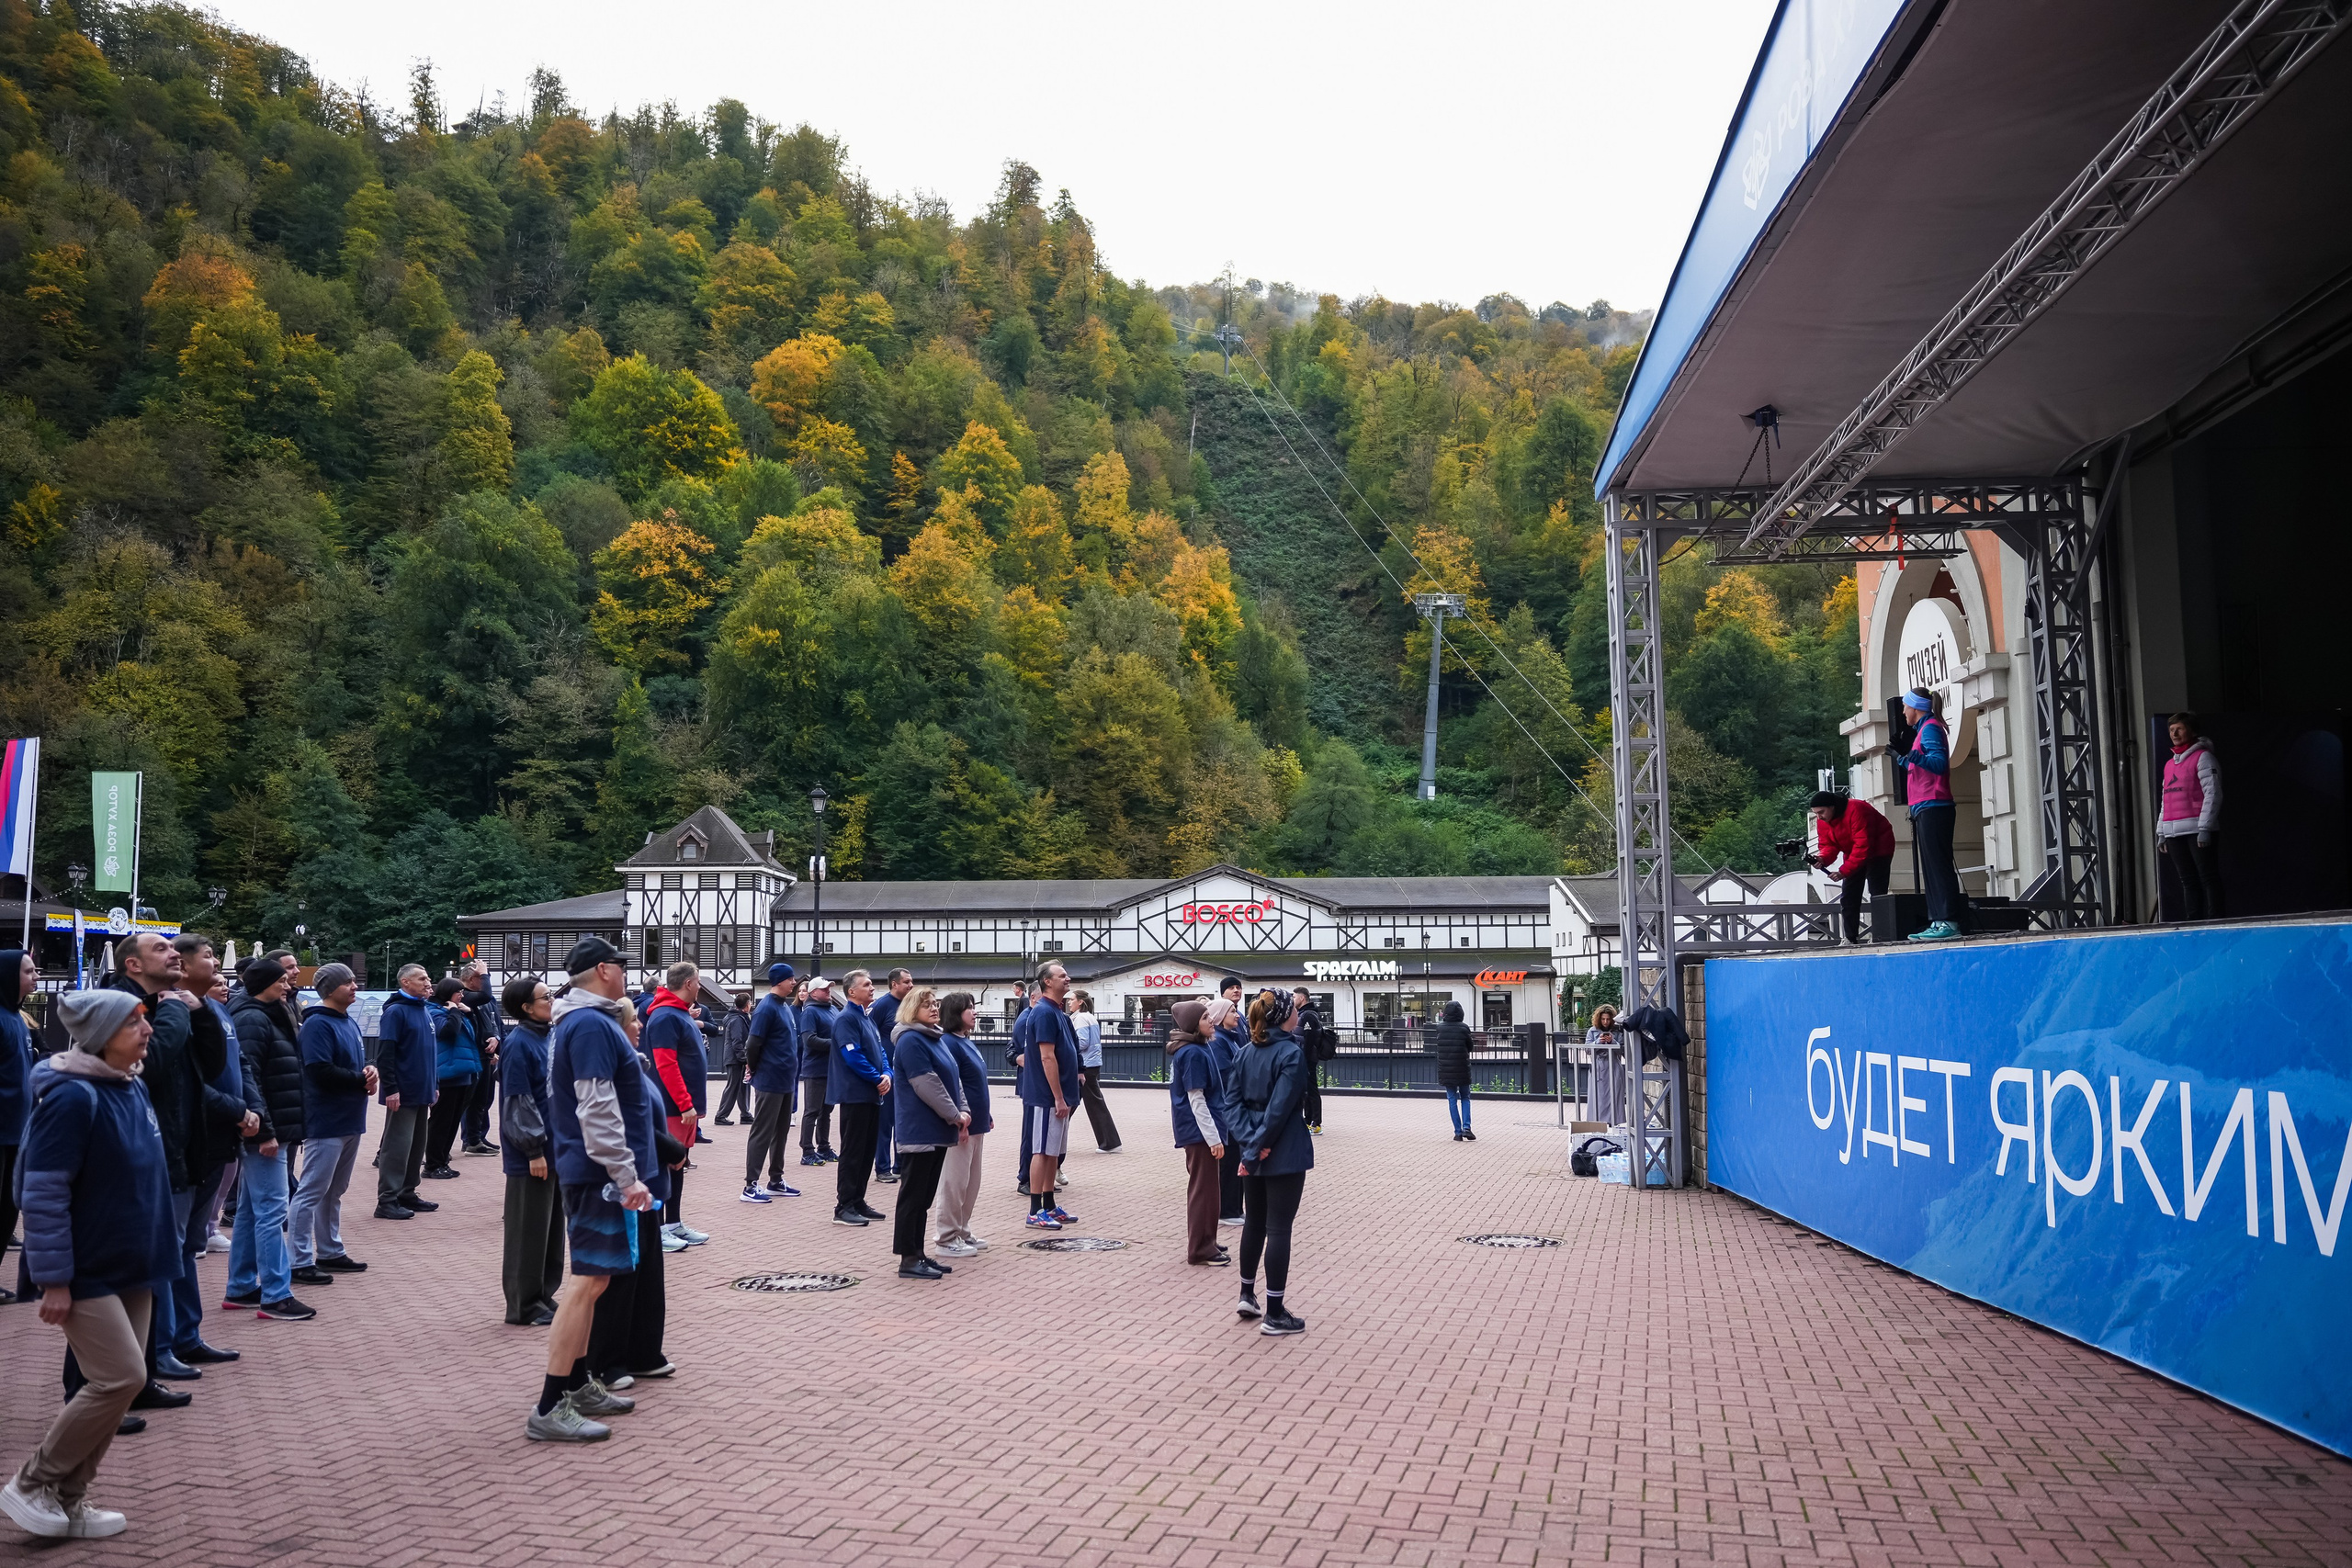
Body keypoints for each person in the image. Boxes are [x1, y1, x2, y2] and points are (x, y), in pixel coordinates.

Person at [2, 988, 180, 1540]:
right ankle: (31, 1483)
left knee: (122, 1384)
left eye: (145, 1020)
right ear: (102, 1036)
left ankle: (71, 1499)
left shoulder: (132, 1085)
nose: (147, 1030)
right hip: (87, 1265)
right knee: (121, 1376)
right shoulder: (72, 1097)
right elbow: (43, 1192)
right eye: (134, 1023)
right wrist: (53, 1278)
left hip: (136, 1260)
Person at [530, 939, 654, 1442]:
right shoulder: (590, 1025)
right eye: (621, 965)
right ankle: (549, 1405)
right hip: (597, 1175)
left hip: (593, 1171)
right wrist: (625, 1175)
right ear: (604, 970)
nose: (626, 973)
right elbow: (596, 1106)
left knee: (596, 1281)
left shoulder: (582, 1022)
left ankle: (578, 1384)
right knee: (586, 1284)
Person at [114, 932, 232, 1404]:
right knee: (157, 1257)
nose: (174, 955)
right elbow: (153, 1065)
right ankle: (153, 1355)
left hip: (185, 1145)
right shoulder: (122, 1006)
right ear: (132, 965)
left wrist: (198, 1013)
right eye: (161, 949)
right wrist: (180, 1012)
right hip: (151, 1153)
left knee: (180, 1249)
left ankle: (180, 1339)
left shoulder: (173, 1005)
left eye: (175, 949)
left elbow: (210, 1066)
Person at [585, 995, 686, 1386]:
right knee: (621, 1274)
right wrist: (670, 1147)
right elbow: (622, 1125)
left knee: (647, 1274)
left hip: (647, 1183)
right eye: (632, 1020)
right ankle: (607, 1361)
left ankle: (643, 1352)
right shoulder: (613, 1071)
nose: (640, 1025)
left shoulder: (633, 1065)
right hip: (625, 1185)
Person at [224, 959, 315, 1320]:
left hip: (276, 1125)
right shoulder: (253, 1018)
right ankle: (276, 1294)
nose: (288, 985)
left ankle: (241, 1286)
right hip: (266, 1129)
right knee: (272, 1211)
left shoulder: (268, 1014)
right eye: (281, 980)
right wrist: (264, 1132)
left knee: (252, 1210)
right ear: (264, 984)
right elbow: (249, 1078)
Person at [1230, 990, 1312, 1336]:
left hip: (1253, 1145)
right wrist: (1258, 1147)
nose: (1297, 1012)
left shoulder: (1245, 1052)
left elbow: (1231, 1103)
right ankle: (1274, 1313)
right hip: (1284, 1147)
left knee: (1254, 1222)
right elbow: (1280, 1109)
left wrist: (1249, 1145)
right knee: (1278, 1228)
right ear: (1283, 1016)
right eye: (1292, 1008)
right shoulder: (1291, 1053)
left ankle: (1247, 1294)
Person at [288, 964, 371, 1287]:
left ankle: (330, 1250)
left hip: (350, 1117)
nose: (354, 986)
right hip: (326, 1119)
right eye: (347, 982)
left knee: (334, 1191)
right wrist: (360, 1079)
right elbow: (319, 1070)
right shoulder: (318, 1024)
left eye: (353, 980)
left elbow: (355, 1064)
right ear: (329, 989)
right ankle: (298, 1260)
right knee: (311, 1190)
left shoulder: (347, 1021)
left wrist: (370, 1072)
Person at [886, 986, 969, 1279]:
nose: (934, 1008)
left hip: (937, 1129)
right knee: (913, 1197)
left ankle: (919, 1254)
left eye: (935, 1004)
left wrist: (962, 1108)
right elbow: (927, 1084)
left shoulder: (934, 1037)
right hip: (919, 1130)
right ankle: (908, 1259)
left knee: (924, 1198)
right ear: (912, 1010)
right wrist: (954, 1114)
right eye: (927, 1005)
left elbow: (953, 1077)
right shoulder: (910, 1040)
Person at [495, 976, 563, 1325]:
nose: (551, 1001)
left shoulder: (546, 1037)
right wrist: (533, 1150)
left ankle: (543, 1294)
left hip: (554, 1149)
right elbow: (518, 1101)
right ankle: (523, 1304)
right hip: (532, 1155)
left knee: (550, 1230)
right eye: (545, 997)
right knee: (528, 1231)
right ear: (526, 1007)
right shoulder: (519, 1043)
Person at [643, 961, 710, 1249]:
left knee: (678, 1163)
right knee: (665, 1164)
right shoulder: (665, 1016)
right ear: (688, 983)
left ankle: (673, 1223)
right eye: (698, 981)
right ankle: (658, 1229)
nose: (699, 986)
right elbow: (665, 1065)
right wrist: (684, 1104)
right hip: (672, 1107)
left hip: (683, 1106)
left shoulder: (678, 1012)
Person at [1014, 961, 1081, 1231]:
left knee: (1053, 1151)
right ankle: (1034, 1211)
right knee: (1041, 1150)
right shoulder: (1043, 1012)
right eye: (1062, 975)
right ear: (1047, 981)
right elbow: (1046, 1057)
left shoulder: (1057, 1012)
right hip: (1046, 1097)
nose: (1068, 978)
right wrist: (1058, 1097)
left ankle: (1050, 1205)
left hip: (1058, 1096)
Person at [1894, 687, 1963, 942]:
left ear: (1916, 707)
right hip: (1926, 805)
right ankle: (1939, 920)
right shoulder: (1924, 729)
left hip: (1934, 804)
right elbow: (1920, 768)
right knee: (1932, 868)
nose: (1903, 712)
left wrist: (1910, 753)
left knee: (1937, 867)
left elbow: (1939, 764)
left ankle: (1947, 921)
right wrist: (1902, 757)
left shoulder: (1931, 728)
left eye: (1905, 706)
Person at [1166, 999, 1230, 1267]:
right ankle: (1201, 1248)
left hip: (1200, 1130)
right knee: (1204, 1190)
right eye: (1204, 1017)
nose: (1211, 1020)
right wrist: (1213, 1138)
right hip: (1200, 1132)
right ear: (1194, 1025)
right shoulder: (1192, 1052)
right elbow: (1197, 1099)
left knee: (1209, 1189)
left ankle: (1207, 1239)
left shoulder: (1198, 1048)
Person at [826, 970, 892, 1228]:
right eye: (866, 984)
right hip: (855, 1095)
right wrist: (877, 1078)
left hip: (872, 1094)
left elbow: (881, 1051)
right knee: (853, 1151)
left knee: (866, 1152)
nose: (872, 988)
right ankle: (844, 1206)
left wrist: (887, 1074)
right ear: (851, 991)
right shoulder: (846, 1019)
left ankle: (858, 1200)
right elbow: (852, 1055)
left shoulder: (866, 1017)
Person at [372, 965, 438, 1220]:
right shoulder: (396, 1012)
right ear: (405, 982)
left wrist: (434, 1084)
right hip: (403, 1092)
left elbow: (429, 1052)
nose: (427, 982)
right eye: (422, 978)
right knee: (397, 1146)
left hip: (422, 1090)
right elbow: (386, 1053)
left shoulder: (424, 1009)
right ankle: (387, 1199)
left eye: (427, 977)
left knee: (417, 1145)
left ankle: (407, 1192)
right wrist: (391, 1088)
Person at [931, 992, 990, 1258]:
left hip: (977, 1123)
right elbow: (951, 1086)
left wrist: (986, 1114)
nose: (974, 1012)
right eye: (969, 1008)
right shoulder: (949, 1043)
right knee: (954, 1183)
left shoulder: (965, 1041)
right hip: (961, 1125)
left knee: (971, 1182)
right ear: (956, 1013)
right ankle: (946, 1237)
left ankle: (962, 1229)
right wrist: (957, 1119)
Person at [741, 966, 801, 1201]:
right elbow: (752, 1044)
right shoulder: (766, 1007)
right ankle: (750, 1186)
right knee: (763, 1131)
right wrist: (754, 1067)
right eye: (790, 979)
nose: (794, 983)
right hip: (770, 1079)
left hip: (786, 1080)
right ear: (779, 981)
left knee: (781, 1132)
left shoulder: (784, 1006)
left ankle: (775, 1180)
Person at [2157, 712, 2223, 921]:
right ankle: (2193, 922)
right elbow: (2166, 800)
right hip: (2174, 832)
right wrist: (2162, 831)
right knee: (2187, 880)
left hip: (2197, 829)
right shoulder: (2169, 764)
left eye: (2180, 729)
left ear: (2192, 731)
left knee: (2208, 877)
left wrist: (2204, 828)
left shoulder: (2203, 757)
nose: (2174, 733)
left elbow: (2213, 793)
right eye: (2171, 730)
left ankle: (2215, 921)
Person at [1809, 790, 1895, 944]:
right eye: (1816, 813)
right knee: (1849, 895)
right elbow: (1828, 845)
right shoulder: (1823, 821)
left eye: (1821, 812)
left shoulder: (1857, 809)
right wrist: (1822, 858)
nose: (1819, 817)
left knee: (1877, 893)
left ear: (1832, 807)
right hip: (1853, 851)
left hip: (1879, 850)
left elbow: (1863, 845)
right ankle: (1850, 938)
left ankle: (1880, 935)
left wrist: (1843, 871)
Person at [422, 977, 481, 1180]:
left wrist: (468, 1013)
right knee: (441, 1121)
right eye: (459, 992)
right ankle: (432, 1165)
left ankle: (442, 1161)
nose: (462, 995)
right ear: (448, 993)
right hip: (447, 1074)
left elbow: (472, 1035)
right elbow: (448, 1032)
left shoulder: (453, 1010)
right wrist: (455, 1012)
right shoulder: (434, 1011)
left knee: (452, 1121)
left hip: (462, 1073)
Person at [0, 950, 32, 1301]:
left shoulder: (17, 1018)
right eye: (29, 971)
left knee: (9, 1208)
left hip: (16, 1130)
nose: (36, 976)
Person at [1203, 998, 1247, 1227]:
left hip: (1234, 1109)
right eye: (1232, 1011)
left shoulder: (1228, 1038)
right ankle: (1227, 1210)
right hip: (1228, 1110)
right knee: (1229, 1160)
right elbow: (1226, 1078)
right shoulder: (1219, 1041)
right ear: (1220, 1016)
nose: (1237, 1015)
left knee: (1235, 1158)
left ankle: (1235, 1208)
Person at [867, 968, 912, 1185]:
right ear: (894, 984)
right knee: (885, 1122)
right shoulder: (881, 1006)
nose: (911, 985)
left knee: (903, 1120)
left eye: (911, 981)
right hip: (887, 1074)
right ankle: (883, 1168)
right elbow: (869, 1036)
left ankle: (900, 1166)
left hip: (906, 1073)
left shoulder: (910, 1005)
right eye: (906, 982)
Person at [458, 958, 503, 1157]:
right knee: (470, 1101)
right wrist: (484, 972)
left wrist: (495, 1040)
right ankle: (470, 1140)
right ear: (470, 979)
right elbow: (486, 995)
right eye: (482, 977)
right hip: (472, 1057)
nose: (485, 980)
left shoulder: (482, 1001)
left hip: (485, 1055)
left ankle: (476, 1139)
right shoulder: (467, 996)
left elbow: (490, 1023)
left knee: (483, 1100)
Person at [1071, 989, 1122, 1152]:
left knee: (1083, 1103)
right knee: (1088, 1102)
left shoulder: (1080, 1018)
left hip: (1084, 1065)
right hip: (1091, 1064)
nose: (1069, 1002)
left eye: (1072, 999)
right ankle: (1110, 1142)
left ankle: (1111, 1143)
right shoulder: (1089, 1017)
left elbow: (1082, 1042)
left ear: (1080, 1002)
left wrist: (1065, 1047)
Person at [797, 977, 838, 1166]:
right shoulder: (810, 1012)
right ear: (813, 993)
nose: (828, 990)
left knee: (826, 1110)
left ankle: (824, 1147)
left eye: (829, 988)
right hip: (815, 1069)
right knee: (812, 1110)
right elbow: (810, 1040)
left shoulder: (833, 1009)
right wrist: (837, 1044)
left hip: (831, 1068)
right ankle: (807, 1151)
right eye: (824, 989)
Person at [1430, 999, 1475, 1142]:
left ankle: (1457, 1132)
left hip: (1446, 1068)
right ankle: (1467, 1127)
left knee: (1452, 1099)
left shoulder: (1440, 1028)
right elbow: (1470, 1047)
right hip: (1462, 1067)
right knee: (1465, 1097)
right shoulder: (1464, 1028)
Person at [713, 991, 753, 1124]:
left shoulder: (737, 1017)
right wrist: (744, 1059)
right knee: (733, 1086)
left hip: (735, 1057)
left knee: (743, 1086)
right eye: (750, 1002)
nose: (751, 1005)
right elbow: (737, 1041)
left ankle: (745, 1114)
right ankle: (721, 1115)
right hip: (735, 1058)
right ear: (746, 1005)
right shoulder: (737, 1020)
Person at [1292, 987, 1329, 1134]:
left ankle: (1316, 1123)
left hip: (1307, 1059)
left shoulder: (1308, 1015)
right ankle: (1308, 1121)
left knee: (1311, 1090)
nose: (1292, 999)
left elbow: (1310, 1039)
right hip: (1304, 1057)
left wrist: (1304, 1058)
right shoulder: (1303, 1014)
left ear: (1302, 998)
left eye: (1294, 997)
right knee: (1306, 1090)